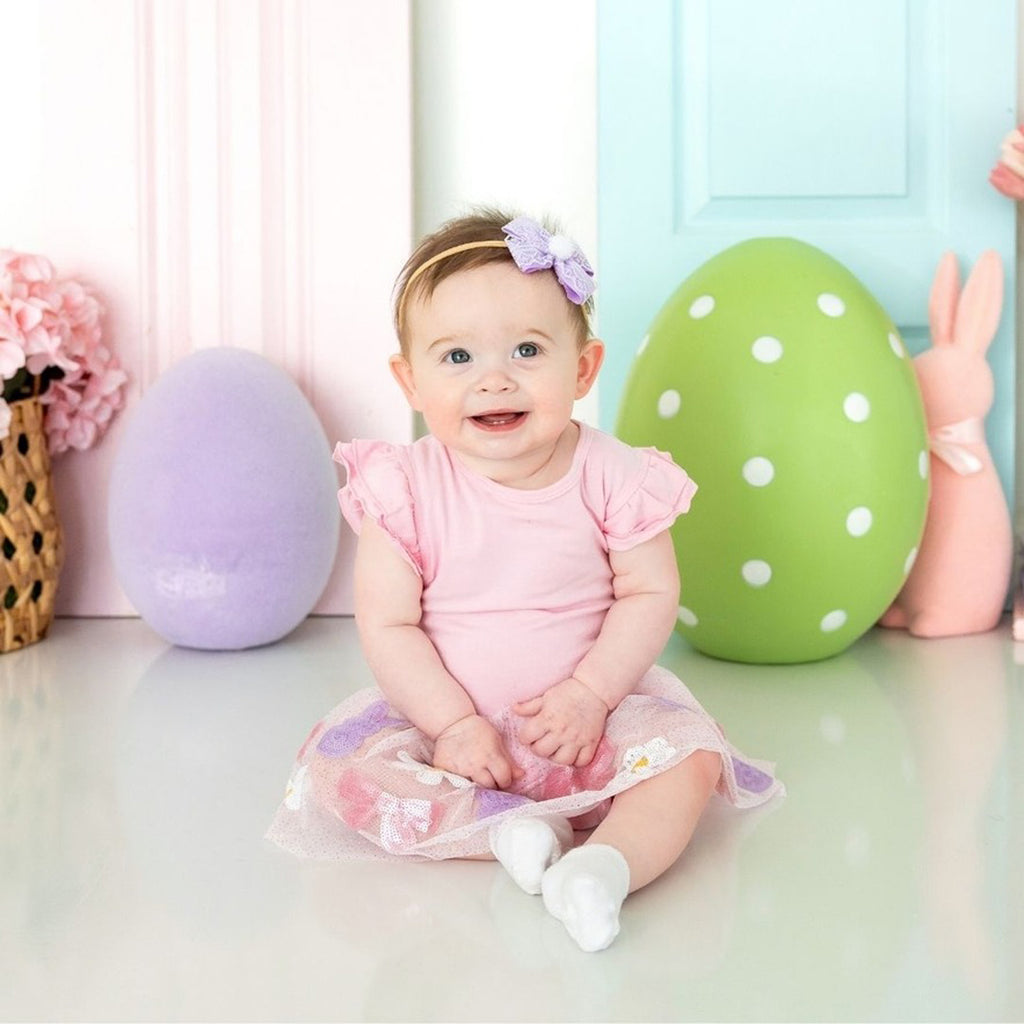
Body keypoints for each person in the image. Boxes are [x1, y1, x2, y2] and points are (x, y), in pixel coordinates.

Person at [267, 209, 783, 952]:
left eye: (528, 349)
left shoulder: (614, 474)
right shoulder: (404, 488)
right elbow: (389, 623)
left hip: (592, 726)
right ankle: (512, 831)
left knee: (690, 759)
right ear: (409, 381)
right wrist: (450, 724)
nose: (494, 379)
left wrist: (592, 694)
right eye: (457, 357)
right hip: (455, 739)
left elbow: (649, 592)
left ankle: (605, 868)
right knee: (346, 772)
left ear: (583, 368)